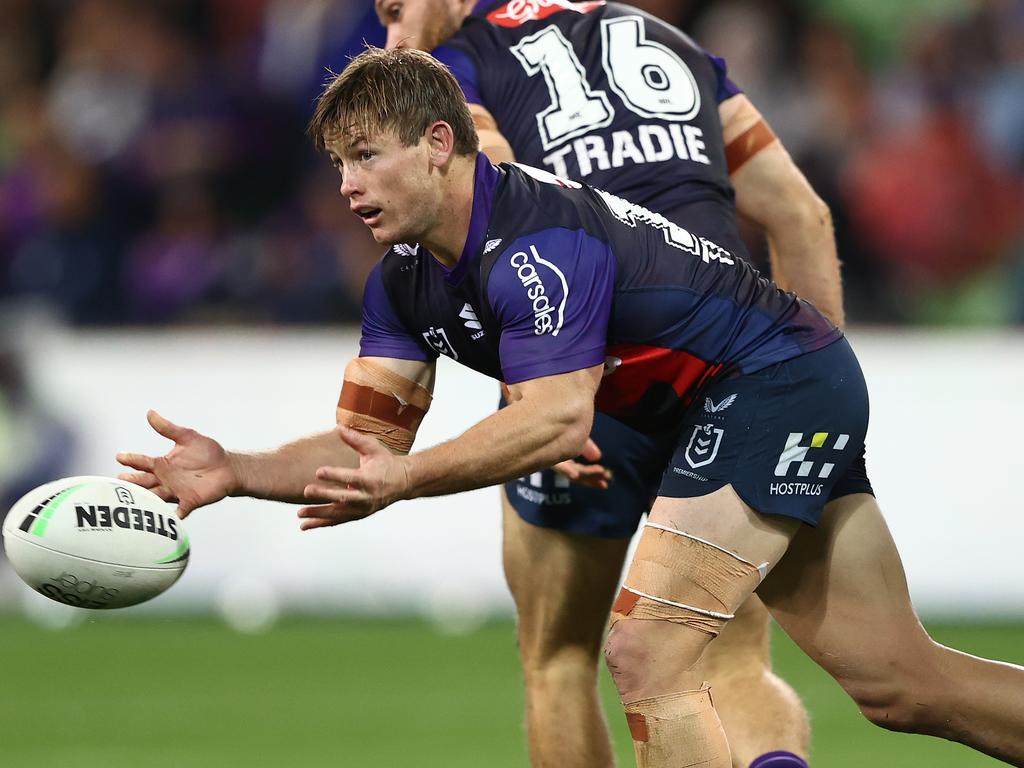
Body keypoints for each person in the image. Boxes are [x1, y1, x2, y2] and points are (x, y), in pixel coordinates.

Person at [118, 47, 1024, 768]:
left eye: (366, 156)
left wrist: (410, 478)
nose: (347, 185)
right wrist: (235, 470)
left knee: (647, 653)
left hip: (777, 382)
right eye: (338, 164)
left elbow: (557, 421)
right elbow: (366, 443)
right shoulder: (403, 282)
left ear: (438, 143)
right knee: (899, 683)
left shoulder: (535, 243)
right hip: (726, 406)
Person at [375, 1, 842, 765]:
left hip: (589, 379)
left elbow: (492, 205)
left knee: (557, 659)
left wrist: (540, 404)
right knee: (730, 656)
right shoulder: (675, 47)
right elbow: (803, 217)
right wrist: (809, 395)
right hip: (725, 367)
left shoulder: (455, 68)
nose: (391, 36)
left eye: (397, 9)